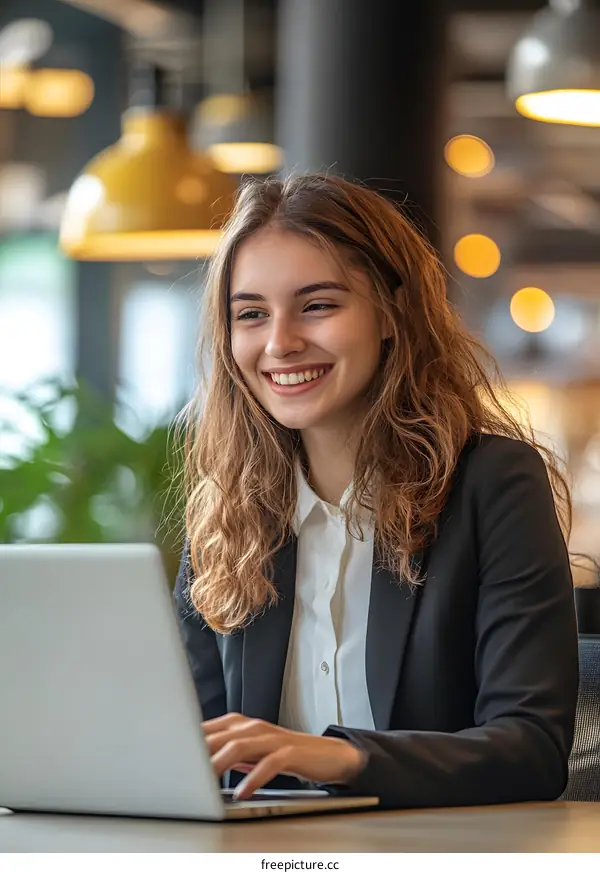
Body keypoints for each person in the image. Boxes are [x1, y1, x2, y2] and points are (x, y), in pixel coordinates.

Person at [174, 172, 578, 809]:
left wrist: (345, 755)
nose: (280, 342)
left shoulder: (493, 486)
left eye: (318, 305)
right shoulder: (229, 515)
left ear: (391, 313)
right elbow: (191, 750)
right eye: (251, 314)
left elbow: (531, 750)